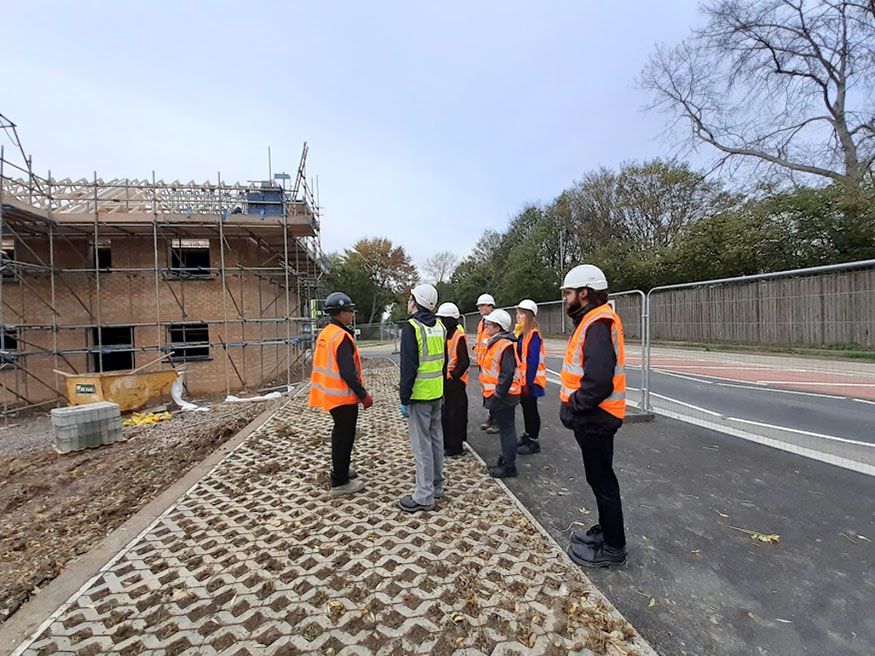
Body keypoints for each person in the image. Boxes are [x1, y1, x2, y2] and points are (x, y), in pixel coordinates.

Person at [559, 265, 628, 567]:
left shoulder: (597, 323)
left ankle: (614, 547)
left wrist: (575, 405)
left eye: (568, 293)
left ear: (584, 293)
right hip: (595, 417)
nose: (565, 298)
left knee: (603, 482)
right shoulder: (591, 319)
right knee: (599, 479)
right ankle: (607, 531)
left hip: (596, 418)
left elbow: (599, 382)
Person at [308, 292, 374, 497]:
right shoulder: (341, 337)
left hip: (330, 395)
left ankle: (341, 470)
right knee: (344, 437)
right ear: (341, 313)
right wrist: (363, 395)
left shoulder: (327, 332)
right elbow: (348, 372)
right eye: (350, 310)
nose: (352, 314)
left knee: (340, 435)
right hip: (342, 397)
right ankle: (340, 481)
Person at [398, 284, 447, 512]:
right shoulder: (440, 326)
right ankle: (437, 485)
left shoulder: (412, 328)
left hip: (419, 396)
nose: (408, 303)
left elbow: (408, 368)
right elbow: (443, 362)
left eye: (410, 299)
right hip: (437, 392)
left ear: (415, 302)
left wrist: (404, 398)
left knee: (421, 446)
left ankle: (424, 496)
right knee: (436, 440)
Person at [479, 308, 522, 478]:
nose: (486, 326)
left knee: (507, 430)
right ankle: (505, 460)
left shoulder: (504, 345)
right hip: (501, 395)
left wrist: (497, 394)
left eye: (488, 324)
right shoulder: (497, 342)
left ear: (498, 328)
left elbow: (507, 373)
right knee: (506, 429)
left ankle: (509, 466)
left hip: (504, 396)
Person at [436, 302, 469, 457]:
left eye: (443, 319)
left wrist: (453, 375)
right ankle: (447, 442)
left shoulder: (458, 336)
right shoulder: (444, 335)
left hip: (455, 383)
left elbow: (464, 361)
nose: (440, 321)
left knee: (456, 415)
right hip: (446, 382)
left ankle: (456, 446)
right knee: (447, 414)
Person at [515, 299, 546, 455]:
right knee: (527, 408)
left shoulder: (533, 334)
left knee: (531, 409)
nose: (518, 316)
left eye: (521, 314)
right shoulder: (522, 333)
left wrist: (527, 382)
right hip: (525, 380)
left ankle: (533, 440)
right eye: (518, 313)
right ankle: (528, 435)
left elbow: (532, 360)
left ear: (529, 315)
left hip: (532, 380)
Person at [473, 293, 498, 434]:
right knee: (486, 393)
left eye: (483, 305)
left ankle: (496, 421)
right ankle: (491, 417)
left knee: (494, 393)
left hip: (492, 365)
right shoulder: (482, 323)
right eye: (479, 306)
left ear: (490, 306)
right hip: (483, 363)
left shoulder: (495, 322)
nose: (480, 308)